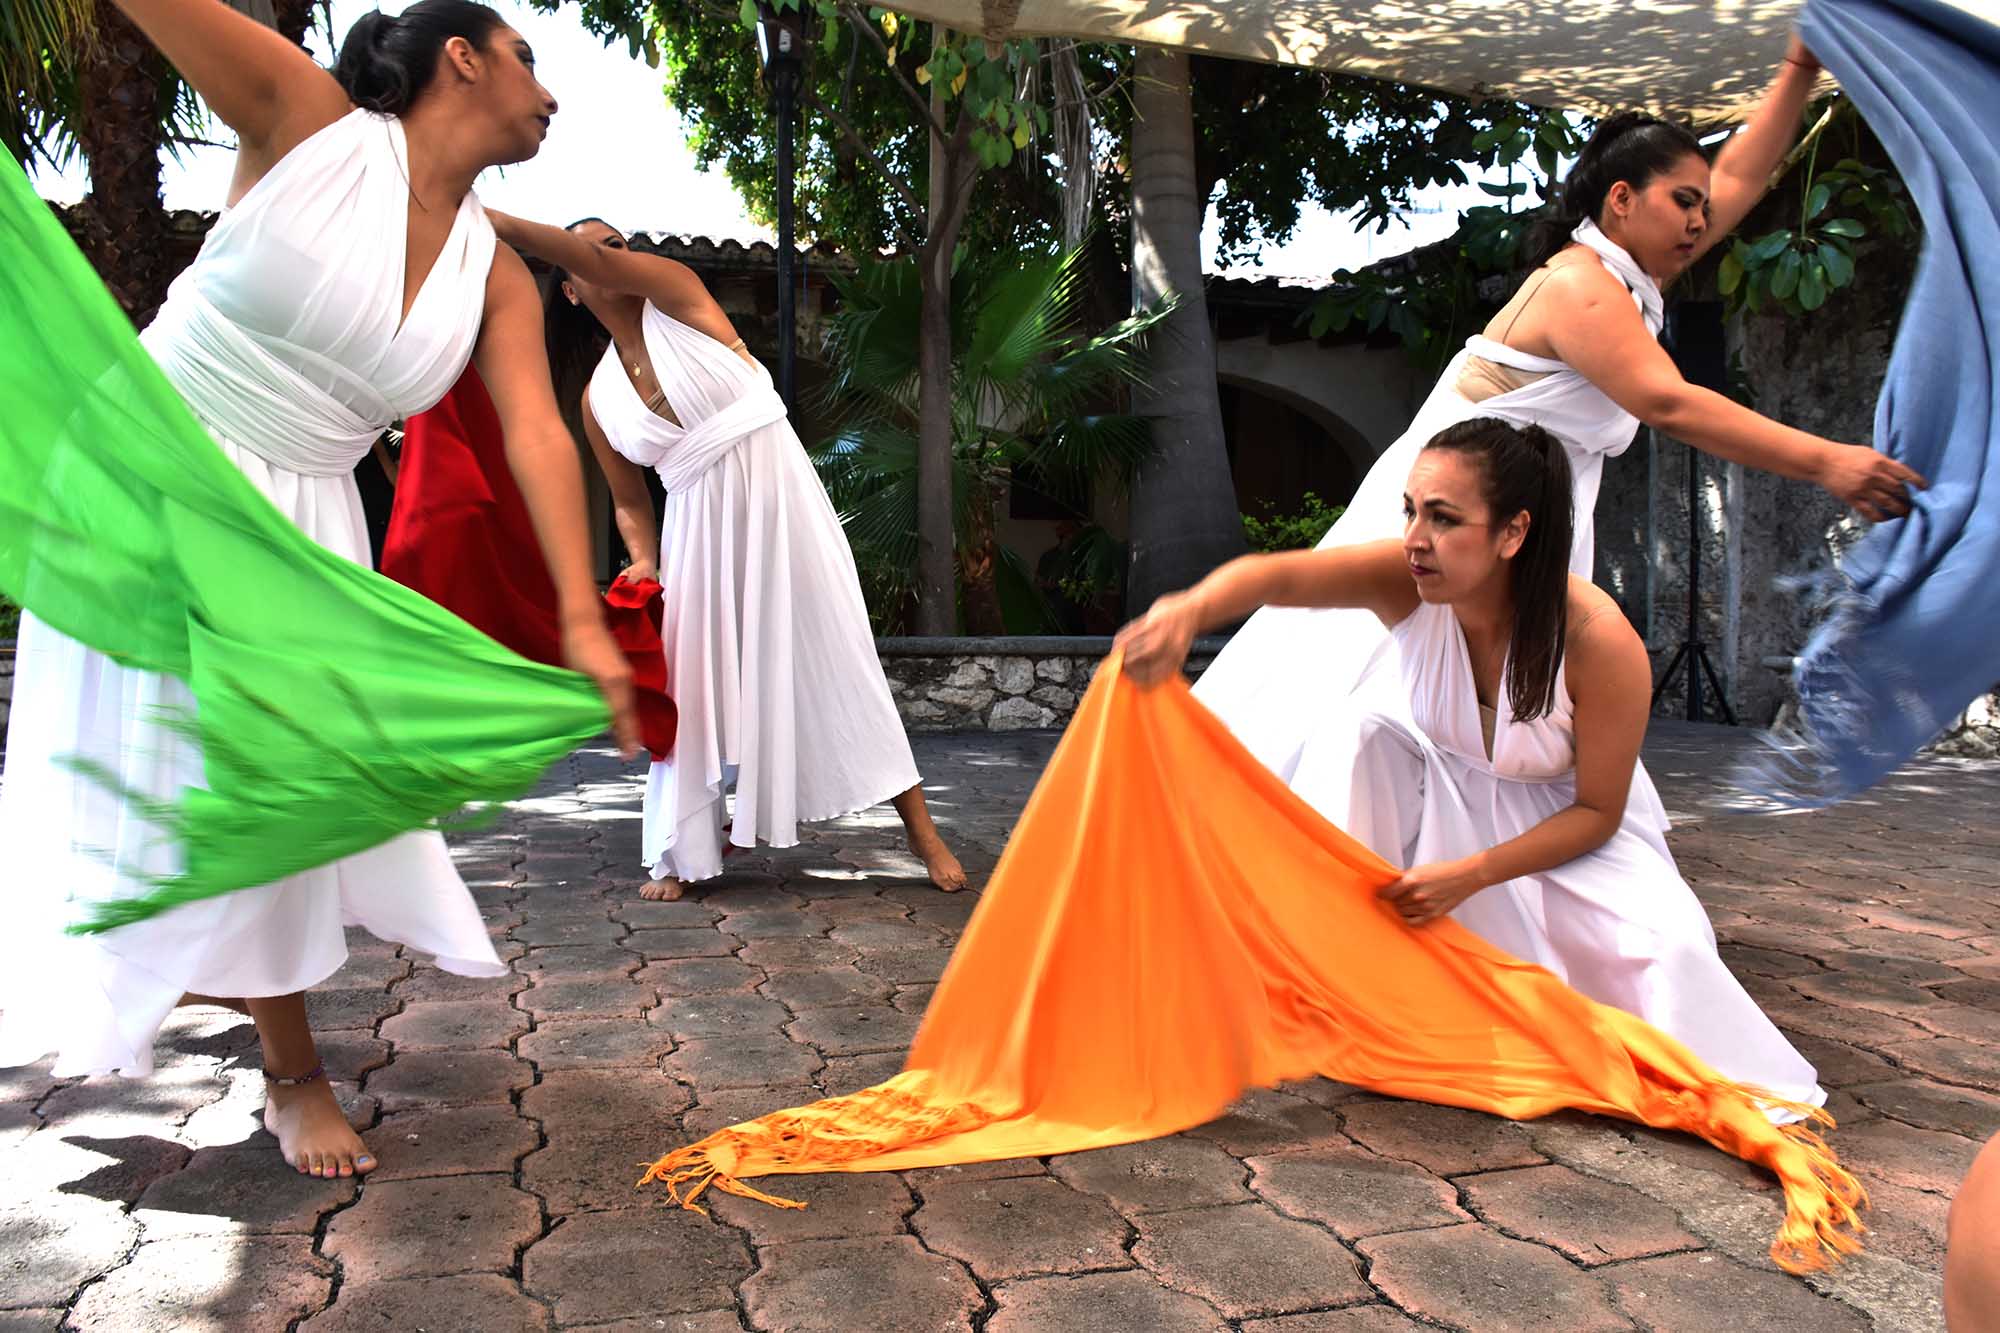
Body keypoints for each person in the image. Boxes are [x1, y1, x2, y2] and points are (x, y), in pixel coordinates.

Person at [0, 0, 639, 1180]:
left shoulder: (493, 272)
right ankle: (291, 1073)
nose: (550, 94)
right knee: (226, 766)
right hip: (155, 469)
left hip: (306, 511)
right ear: (463, 57)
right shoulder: (304, 117)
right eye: (529, 59)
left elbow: (540, 437)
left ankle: (206, 973)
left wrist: (578, 613)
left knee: (287, 780)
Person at [1193, 35, 1926, 783]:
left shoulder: (1631, 272)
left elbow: (1738, 170)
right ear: (1621, 200)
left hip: (1524, 514)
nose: (1702, 220)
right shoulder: (1582, 286)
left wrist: (1800, 70)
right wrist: (1830, 460)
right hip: (1458, 507)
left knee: (1498, 706)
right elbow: (1667, 402)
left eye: (1703, 206)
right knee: (1352, 682)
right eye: (1684, 202)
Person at [1117, 416, 1823, 1109]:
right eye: (1411, 511)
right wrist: (1187, 610)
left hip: (1563, 837)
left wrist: (1470, 875)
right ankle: (1342, 969)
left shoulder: (1598, 639)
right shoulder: (1404, 581)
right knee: (1357, 731)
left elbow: (1598, 812)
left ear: (1514, 531)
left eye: (1445, 518)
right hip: (1437, 806)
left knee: (1668, 969)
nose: (1416, 539)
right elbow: (1279, 576)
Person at [478, 213, 966, 902]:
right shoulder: (598, 399)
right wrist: (643, 558)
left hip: (780, 498)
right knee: (693, 686)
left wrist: (494, 220)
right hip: (695, 531)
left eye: (615, 244)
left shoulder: (678, 292)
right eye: (588, 253)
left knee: (836, 651)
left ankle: (920, 829)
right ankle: (683, 850)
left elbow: (611, 265)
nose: (608, 256)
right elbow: (629, 501)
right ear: (569, 294)